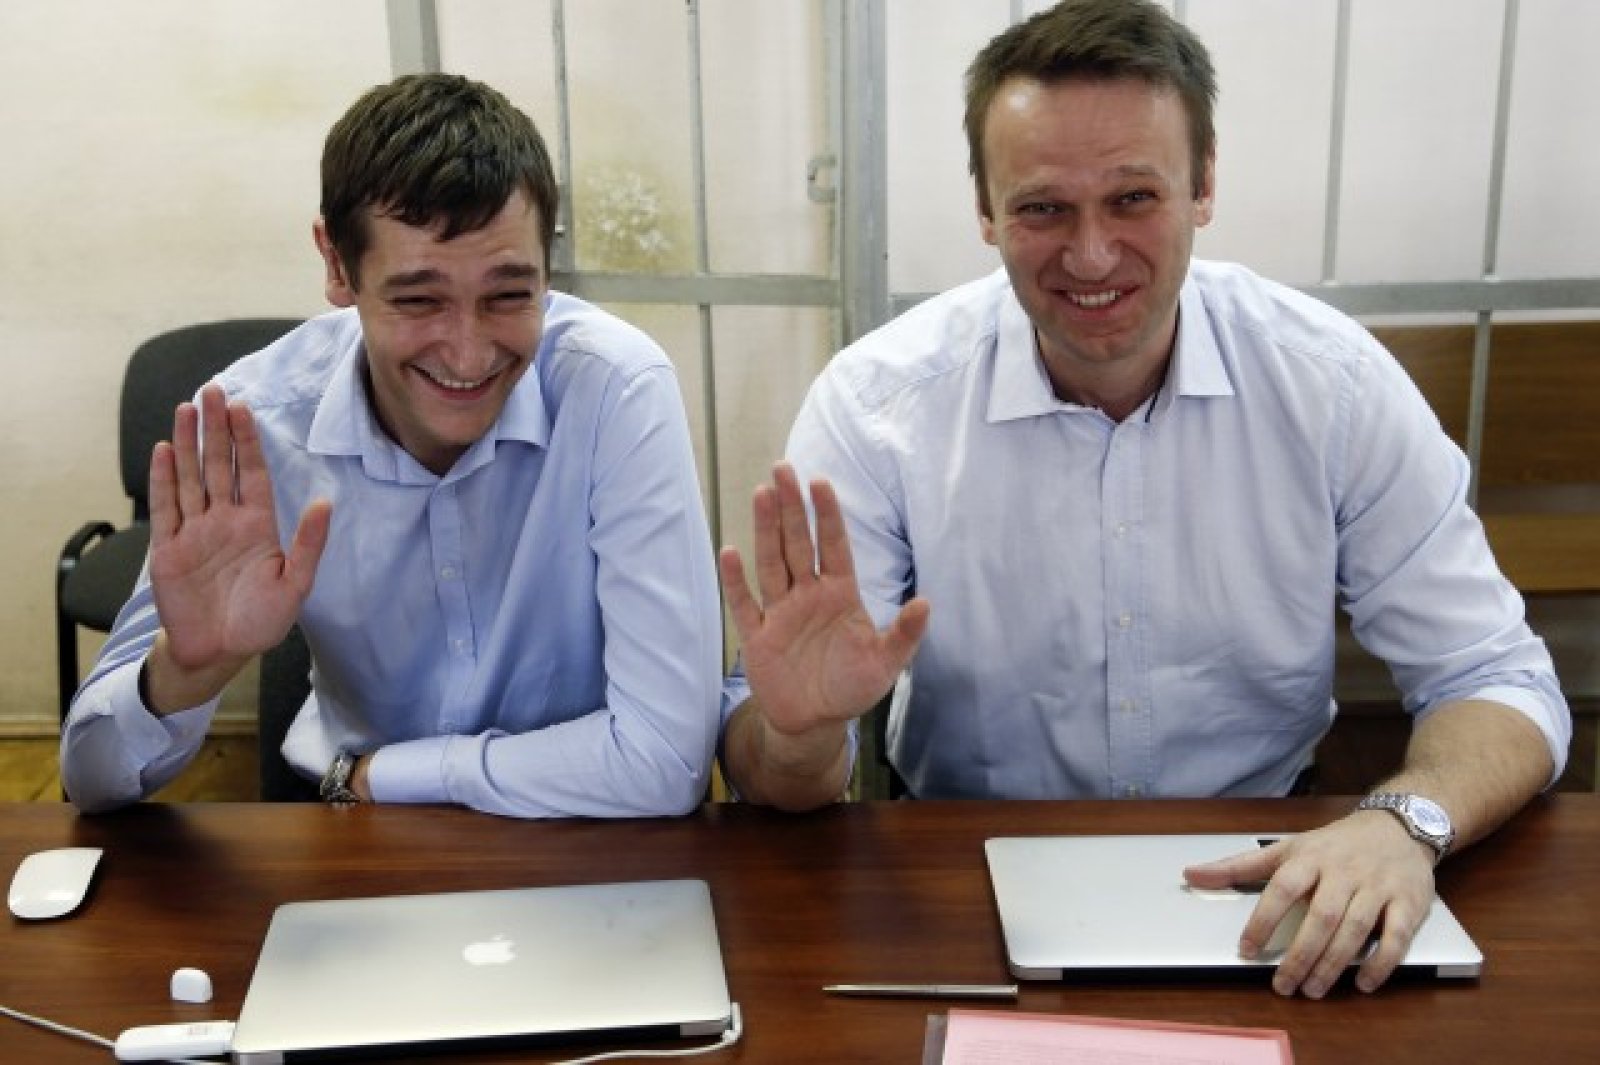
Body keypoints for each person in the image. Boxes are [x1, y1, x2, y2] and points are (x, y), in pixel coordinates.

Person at [718, 0, 1570, 1000]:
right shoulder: (879, 406)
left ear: (1203, 185)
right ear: (985, 210)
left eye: (1133, 197)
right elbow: (780, 775)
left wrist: (1404, 823)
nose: (1090, 255)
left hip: (1275, 871)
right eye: (1042, 208)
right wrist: (799, 736)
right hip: (957, 869)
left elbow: (1495, 676)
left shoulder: (1329, 384)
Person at [61, 74, 723, 819]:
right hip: (364, 830)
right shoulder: (255, 427)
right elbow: (89, 782)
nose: (469, 353)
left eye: (509, 295)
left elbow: (668, 760)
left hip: (580, 824)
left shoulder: (614, 390)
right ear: (337, 265)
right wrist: (186, 670)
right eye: (418, 299)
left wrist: (383, 774)